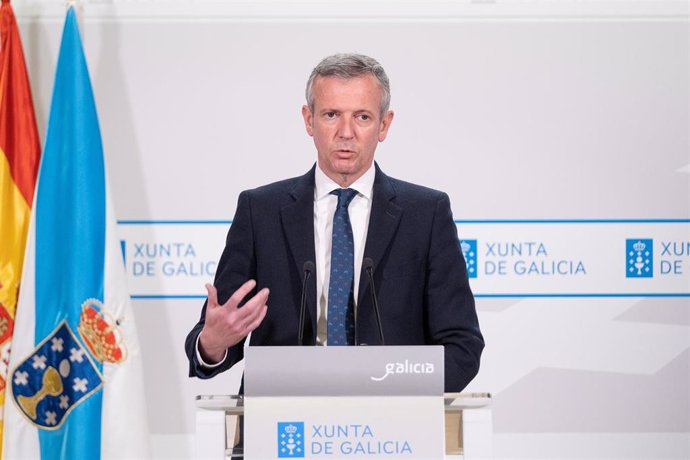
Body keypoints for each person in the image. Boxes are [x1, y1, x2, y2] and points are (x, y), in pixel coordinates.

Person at [185, 53, 483, 392]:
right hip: (282, 424)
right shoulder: (260, 211)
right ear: (308, 120)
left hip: (393, 429)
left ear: (384, 125)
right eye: (331, 115)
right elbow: (213, 341)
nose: (346, 132)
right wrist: (213, 343)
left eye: (362, 117)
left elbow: (463, 348)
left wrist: (395, 388)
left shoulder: (426, 214)